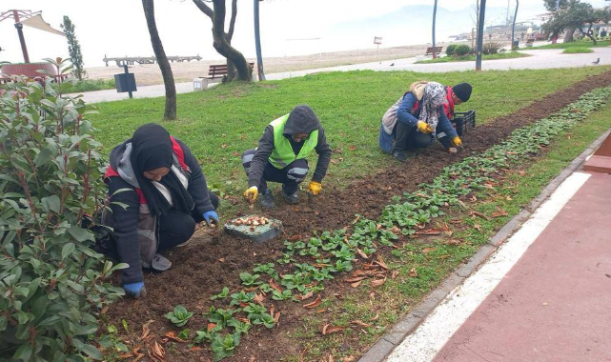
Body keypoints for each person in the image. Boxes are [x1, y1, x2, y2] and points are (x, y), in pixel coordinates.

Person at [104, 124, 219, 298]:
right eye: (152, 174)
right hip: (141, 222)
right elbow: (126, 231)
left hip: (165, 202)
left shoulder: (176, 149)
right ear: (141, 162)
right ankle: (153, 247)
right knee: (184, 226)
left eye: (163, 174)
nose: (158, 179)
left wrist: (206, 207)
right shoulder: (121, 181)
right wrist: (132, 276)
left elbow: (195, 175)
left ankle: (174, 224)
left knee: (211, 200)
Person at [242, 105, 332, 208]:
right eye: (295, 136)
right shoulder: (274, 129)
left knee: (300, 169)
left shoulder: (316, 130)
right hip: (269, 166)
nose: (298, 140)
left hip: (290, 169)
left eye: (303, 137)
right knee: (248, 157)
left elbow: (325, 152)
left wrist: (317, 180)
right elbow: (260, 158)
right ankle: (265, 192)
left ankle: (288, 191)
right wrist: (253, 184)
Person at [378, 81, 468, 162]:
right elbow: (401, 113)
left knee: (425, 140)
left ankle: (407, 144)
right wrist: (418, 123)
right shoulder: (412, 96)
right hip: (394, 122)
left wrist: (454, 136)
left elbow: (443, 120)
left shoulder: (436, 101)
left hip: (412, 124)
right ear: (430, 96)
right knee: (406, 119)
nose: (438, 104)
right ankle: (398, 149)